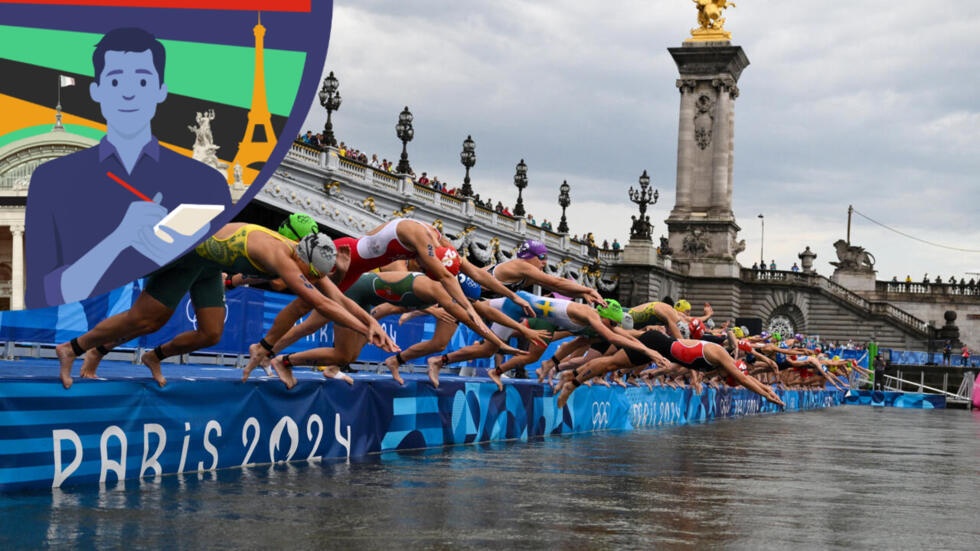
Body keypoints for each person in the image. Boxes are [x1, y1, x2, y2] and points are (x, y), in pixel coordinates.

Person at [25, 27, 231, 308]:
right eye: (115, 82)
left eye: (143, 82)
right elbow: (41, 295)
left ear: (161, 90)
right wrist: (118, 239)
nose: (129, 94)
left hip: (160, 325)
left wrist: (191, 251)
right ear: (96, 91)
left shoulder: (205, 183)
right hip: (83, 330)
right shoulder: (52, 180)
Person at [57, 223, 397, 389]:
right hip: (187, 253)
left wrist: (373, 326)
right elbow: (320, 301)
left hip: (208, 265)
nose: (317, 278)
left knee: (211, 333)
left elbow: (335, 296)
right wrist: (364, 326)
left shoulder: (305, 254)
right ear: (306, 260)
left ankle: (152, 357)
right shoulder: (280, 257)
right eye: (314, 274)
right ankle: (74, 348)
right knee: (147, 318)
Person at [556, 329, 785, 409]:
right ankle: (571, 379)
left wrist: (768, 391)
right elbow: (745, 380)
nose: (725, 379)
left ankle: (571, 376)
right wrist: (768, 395)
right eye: (728, 377)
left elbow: (746, 378)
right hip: (656, 343)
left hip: (660, 344)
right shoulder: (722, 357)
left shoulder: (723, 362)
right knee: (611, 361)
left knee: (611, 360)